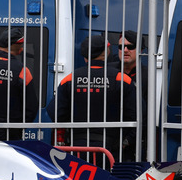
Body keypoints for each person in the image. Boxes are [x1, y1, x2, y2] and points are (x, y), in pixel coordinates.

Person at [46, 35, 136, 164]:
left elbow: (55, 113)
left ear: (84, 56)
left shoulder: (70, 79)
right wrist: (125, 141)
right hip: (111, 150)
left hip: (77, 149)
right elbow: (136, 114)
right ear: (107, 52)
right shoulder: (121, 79)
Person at [117, 30, 148, 160]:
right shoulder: (110, 72)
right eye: (120, 47)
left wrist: (128, 140)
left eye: (130, 47)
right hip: (109, 141)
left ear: (140, 50)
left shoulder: (148, 76)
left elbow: (147, 114)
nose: (125, 50)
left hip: (136, 144)